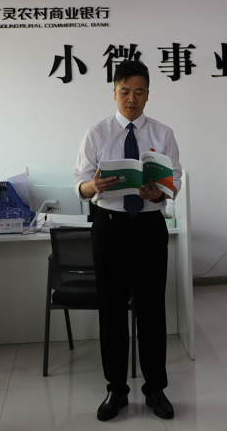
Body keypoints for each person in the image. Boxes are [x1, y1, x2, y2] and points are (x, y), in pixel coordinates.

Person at [73, 59, 182, 422]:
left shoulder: (163, 134)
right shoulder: (96, 134)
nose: (131, 99)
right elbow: (79, 183)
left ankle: (156, 389)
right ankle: (116, 389)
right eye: (125, 92)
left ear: (148, 94)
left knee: (152, 310)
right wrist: (93, 186)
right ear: (114, 93)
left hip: (149, 226)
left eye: (138, 92)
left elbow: (175, 180)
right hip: (110, 228)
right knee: (112, 310)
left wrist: (159, 192)